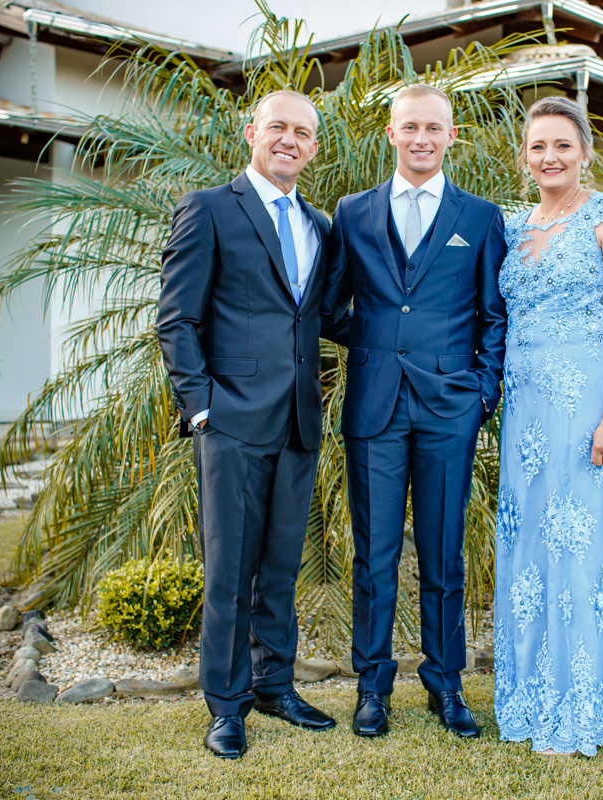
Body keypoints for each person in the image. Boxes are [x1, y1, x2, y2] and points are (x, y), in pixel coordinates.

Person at [156, 89, 348, 759]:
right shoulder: (210, 208)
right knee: (230, 573)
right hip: (231, 421)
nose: (289, 140)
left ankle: (274, 686)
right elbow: (177, 317)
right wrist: (201, 407)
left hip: (297, 422)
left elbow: (324, 317)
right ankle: (227, 705)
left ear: (314, 147)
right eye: (277, 128)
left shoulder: (320, 225)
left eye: (302, 132)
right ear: (252, 133)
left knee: (281, 567)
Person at [321, 84, 507, 738]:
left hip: (450, 409)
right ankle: (372, 688)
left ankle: (445, 683)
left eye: (433, 128)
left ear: (451, 136)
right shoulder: (353, 212)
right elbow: (330, 307)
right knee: (373, 555)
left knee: (443, 552)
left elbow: (493, 315)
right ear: (392, 134)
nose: (421, 138)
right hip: (374, 406)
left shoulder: (480, 217)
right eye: (410, 127)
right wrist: (379, 343)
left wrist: (482, 391)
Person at [492, 96, 603, 756]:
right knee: (530, 550)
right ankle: (533, 696)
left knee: (582, 548)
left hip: (589, 411)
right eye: (538, 146)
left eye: (563, 144)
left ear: (585, 152)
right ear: (524, 157)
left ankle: (588, 700)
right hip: (525, 417)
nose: (550, 156)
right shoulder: (511, 226)